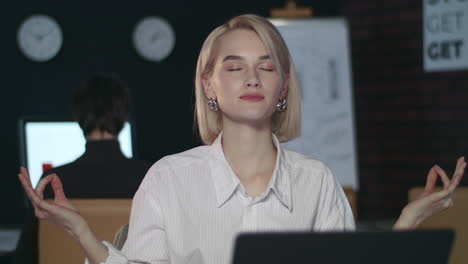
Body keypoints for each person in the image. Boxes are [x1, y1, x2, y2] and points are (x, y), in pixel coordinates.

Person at [18, 15, 466, 264]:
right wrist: (83, 234)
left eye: (267, 66)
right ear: (209, 85)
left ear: (283, 86)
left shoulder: (316, 181)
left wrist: (405, 225)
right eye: (234, 67)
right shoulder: (169, 178)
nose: (252, 77)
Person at [13, 73, 151, 264]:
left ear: (78, 117)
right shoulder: (150, 176)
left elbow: (24, 257)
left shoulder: (52, 181)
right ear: (124, 115)